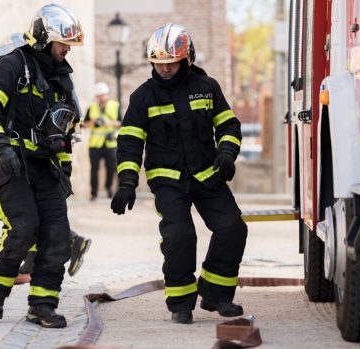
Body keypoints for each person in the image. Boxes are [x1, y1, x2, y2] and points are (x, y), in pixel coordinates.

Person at [111, 23, 248, 325]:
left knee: (232, 228)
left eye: (171, 63)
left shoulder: (207, 87)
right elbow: (130, 142)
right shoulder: (142, 97)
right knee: (179, 236)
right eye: (159, 64)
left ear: (187, 59)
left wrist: (226, 154)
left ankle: (217, 295)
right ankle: (181, 303)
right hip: (168, 180)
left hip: (208, 174)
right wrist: (127, 183)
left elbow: (228, 125)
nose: (165, 70)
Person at [0, 4, 84, 328]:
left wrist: (64, 169)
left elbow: (66, 131)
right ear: (42, 39)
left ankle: (42, 306)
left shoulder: (62, 77)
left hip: (44, 166)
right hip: (11, 164)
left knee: (58, 235)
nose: (66, 51)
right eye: (63, 44)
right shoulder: (12, 65)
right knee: (23, 227)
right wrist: (0, 145)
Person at [83, 82, 121, 200]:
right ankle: (94, 193)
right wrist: (93, 122)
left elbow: (121, 122)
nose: (101, 97)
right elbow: (84, 124)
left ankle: (109, 188)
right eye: (99, 95)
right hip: (95, 144)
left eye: (103, 95)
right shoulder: (92, 108)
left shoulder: (115, 106)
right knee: (94, 169)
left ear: (107, 94)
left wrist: (109, 123)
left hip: (110, 143)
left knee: (111, 168)